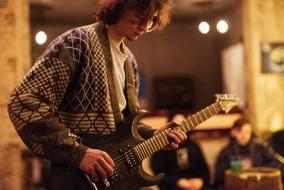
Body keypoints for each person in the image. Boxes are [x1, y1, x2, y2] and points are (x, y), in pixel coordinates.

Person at [7, 0, 187, 189]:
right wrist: (77, 153)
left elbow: (124, 126)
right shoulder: (76, 42)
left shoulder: (130, 62)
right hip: (75, 181)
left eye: (151, 21)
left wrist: (152, 134)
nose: (144, 27)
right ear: (119, 7)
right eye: (139, 18)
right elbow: (23, 102)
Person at [213, 118, 280, 190]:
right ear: (233, 132)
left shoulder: (260, 147)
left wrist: (257, 170)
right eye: (240, 131)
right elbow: (218, 177)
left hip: (259, 185)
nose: (244, 135)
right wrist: (234, 172)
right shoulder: (226, 152)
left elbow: (277, 164)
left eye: (247, 132)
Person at [151, 114, 210, 190]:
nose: (180, 128)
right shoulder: (162, 148)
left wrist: (200, 181)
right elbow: (158, 175)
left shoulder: (194, 146)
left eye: (183, 124)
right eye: (176, 125)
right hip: (172, 186)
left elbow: (205, 170)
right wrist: (177, 181)